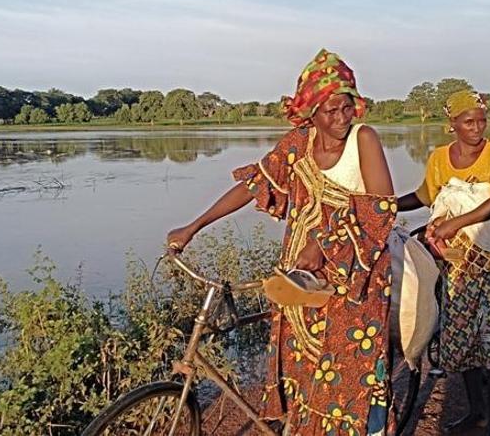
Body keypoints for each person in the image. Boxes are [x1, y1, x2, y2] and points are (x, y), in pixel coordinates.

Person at [166, 49, 397, 435]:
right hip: (299, 278)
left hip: (355, 282)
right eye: (330, 111)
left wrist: (323, 245)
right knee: (303, 371)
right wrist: (194, 226)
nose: (341, 119)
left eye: (347, 108)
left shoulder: (364, 140)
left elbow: (382, 210)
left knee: (350, 378)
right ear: (310, 113)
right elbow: (254, 186)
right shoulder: (297, 145)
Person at [396, 91, 490, 436]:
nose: (477, 128)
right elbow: (424, 196)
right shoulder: (438, 158)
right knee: (463, 341)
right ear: (452, 124)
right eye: (468, 121)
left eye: (481, 120)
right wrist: (386, 205)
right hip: (458, 266)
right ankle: (476, 412)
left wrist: (454, 223)